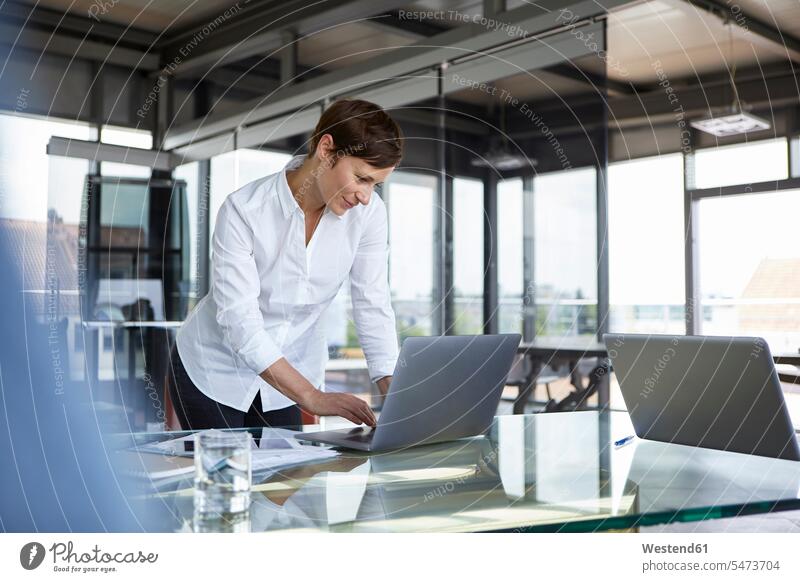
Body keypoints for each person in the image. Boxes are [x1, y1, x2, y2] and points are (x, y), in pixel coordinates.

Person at [170, 99, 403, 431]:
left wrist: (392, 390)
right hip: (213, 371)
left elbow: (372, 302)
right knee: (227, 477)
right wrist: (311, 395)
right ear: (326, 150)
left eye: (375, 185)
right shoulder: (244, 211)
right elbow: (240, 321)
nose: (366, 196)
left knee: (285, 479)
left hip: (288, 376)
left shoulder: (369, 215)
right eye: (362, 178)